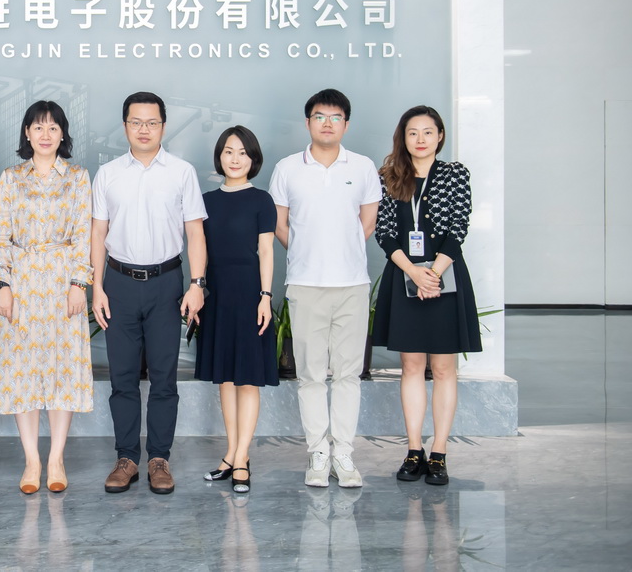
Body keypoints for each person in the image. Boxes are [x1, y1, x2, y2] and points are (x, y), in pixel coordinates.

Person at [92, 91, 207, 496]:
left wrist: (197, 284)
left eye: (152, 122)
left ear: (163, 126)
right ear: (125, 125)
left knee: (164, 378)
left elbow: (195, 232)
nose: (144, 129)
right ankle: (126, 458)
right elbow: (98, 233)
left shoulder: (181, 172)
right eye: (136, 122)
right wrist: (96, 287)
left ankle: (159, 459)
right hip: (118, 283)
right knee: (122, 378)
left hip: (166, 283)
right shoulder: (107, 174)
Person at [269, 88, 381, 489]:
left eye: (335, 117)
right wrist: (306, 253)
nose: (328, 123)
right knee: (311, 375)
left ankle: (344, 454)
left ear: (346, 124)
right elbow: (280, 224)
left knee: (349, 375)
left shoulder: (363, 167)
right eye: (320, 116)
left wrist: (341, 252)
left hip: (352, 285)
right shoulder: (287, 168)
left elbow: (367, 222)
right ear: (308, 123)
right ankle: (318, 453)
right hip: (305, 285)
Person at [374, 106, 481, 486]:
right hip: (405, 275)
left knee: (445, 368)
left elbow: (458, 227)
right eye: (412, 132)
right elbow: (384, 232)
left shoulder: (455, 174)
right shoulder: (389, 176)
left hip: (444, 277)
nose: (420, 139)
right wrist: (413, 272)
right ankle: (413, 450)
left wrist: (432, 274)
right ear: (403, 138)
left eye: (428, 132)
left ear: (440, 136)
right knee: (411, 367)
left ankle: (439, 452)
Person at [0, 100, 93, 494]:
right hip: (21, 286)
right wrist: (2, 284)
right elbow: (0, 236)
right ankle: (32, 460)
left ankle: (56, 459)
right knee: (24, 370)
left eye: (53, 127)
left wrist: (78, 283)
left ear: (62, 133)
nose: (45, 134)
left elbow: (83, 234)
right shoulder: (12, 178)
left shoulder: (78, 177)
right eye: (38, 127)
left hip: (62, 285)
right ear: (27, 133)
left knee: (62, 369)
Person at [195, 126, 280, 494]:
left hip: (249, 295)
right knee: (226, 380)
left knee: (247, 378)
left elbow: (267, 251)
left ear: (253, 159)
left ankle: (243, 457)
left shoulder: (262, 200)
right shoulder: (205, 201)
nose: (235, 158)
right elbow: (199, 250)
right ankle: (231, 454)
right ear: (219, 156)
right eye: (229, 151)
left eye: (243, 152)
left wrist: (265, 296)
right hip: (216, 295)